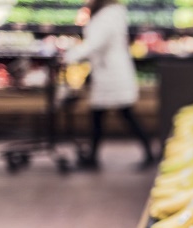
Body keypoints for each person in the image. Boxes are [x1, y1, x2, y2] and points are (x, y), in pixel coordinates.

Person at [64, 0, 155, 169]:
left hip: (112, 74)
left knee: (122, 114)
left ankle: (148, 152)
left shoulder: (109, 15)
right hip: (108, 72)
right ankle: (94, 157)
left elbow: (95, 43)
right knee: (102, 115)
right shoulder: (111, 13)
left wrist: (70, 55)